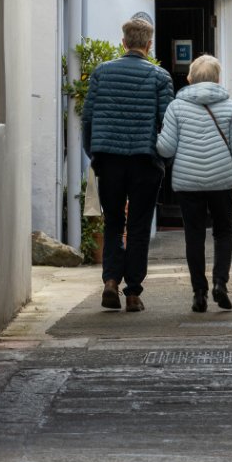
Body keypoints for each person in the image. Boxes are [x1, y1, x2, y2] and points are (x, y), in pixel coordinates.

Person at [82, 17, 173, 313]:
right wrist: (163, 159)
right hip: (145, 161)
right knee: (138, 226)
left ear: (123, 43)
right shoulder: (160, 77)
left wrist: (94, 153)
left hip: (109, 159)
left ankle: (110, 280)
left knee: (113, 222)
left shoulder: (101, 72)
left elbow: (88, 118)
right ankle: (133, 292)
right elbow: (167, 123)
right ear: (149, 45)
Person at [155, 54, 232, 313]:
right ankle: (220, 283)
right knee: (223, 232)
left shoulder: (176, 107)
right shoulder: (230, 107)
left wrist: (155, 137)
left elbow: (166, 149)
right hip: (221, 181)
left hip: (187, 183)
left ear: (190, 79)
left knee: (194, 236)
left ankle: (199, 293)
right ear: (217, 79)